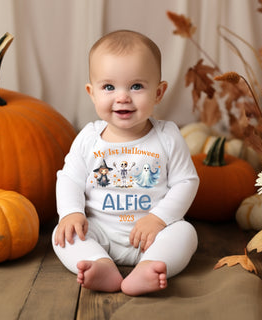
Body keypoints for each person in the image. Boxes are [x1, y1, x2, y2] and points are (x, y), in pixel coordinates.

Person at [52, 30, 199, 296]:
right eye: (109, 87)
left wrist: (159, 218)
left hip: (154, 235)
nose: (122, 97)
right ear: (92, 93)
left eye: (136, 86)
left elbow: (186, 182)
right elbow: (69, 178)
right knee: (63, 236)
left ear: (159, 92)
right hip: (99, 229)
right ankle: (100, 264)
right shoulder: (88, 138)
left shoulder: (167, 136)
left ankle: (151, 266)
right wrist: (71, 213)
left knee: (186, 233)